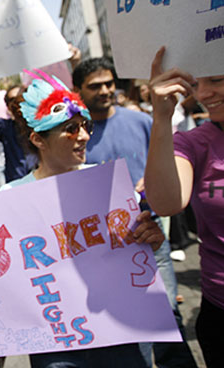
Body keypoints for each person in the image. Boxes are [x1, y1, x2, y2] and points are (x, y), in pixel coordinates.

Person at [0, 69, 165, 368]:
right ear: (38, 139)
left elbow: (134, 252)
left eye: (84, 126)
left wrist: (149, 239)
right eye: (70, 129)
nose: (85, 136)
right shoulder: (11, 194)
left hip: (118, 332)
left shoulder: (108, 182)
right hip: (57, 342)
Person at [72, 56, 197, 368]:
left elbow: (167, 163)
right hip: (104, 248)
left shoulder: (142, 122)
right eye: (95, 86)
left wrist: (152, 180)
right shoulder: (76, 136)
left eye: (109, 83)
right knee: (128, 325)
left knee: (167, 312)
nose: (104, 90)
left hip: (151, 235)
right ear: (78, 91)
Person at [144, 46, 224, 368]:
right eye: (195, 85)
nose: (203, 94)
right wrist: (161, 118)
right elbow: (166, 202)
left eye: (216, 80)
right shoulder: (192, 143)